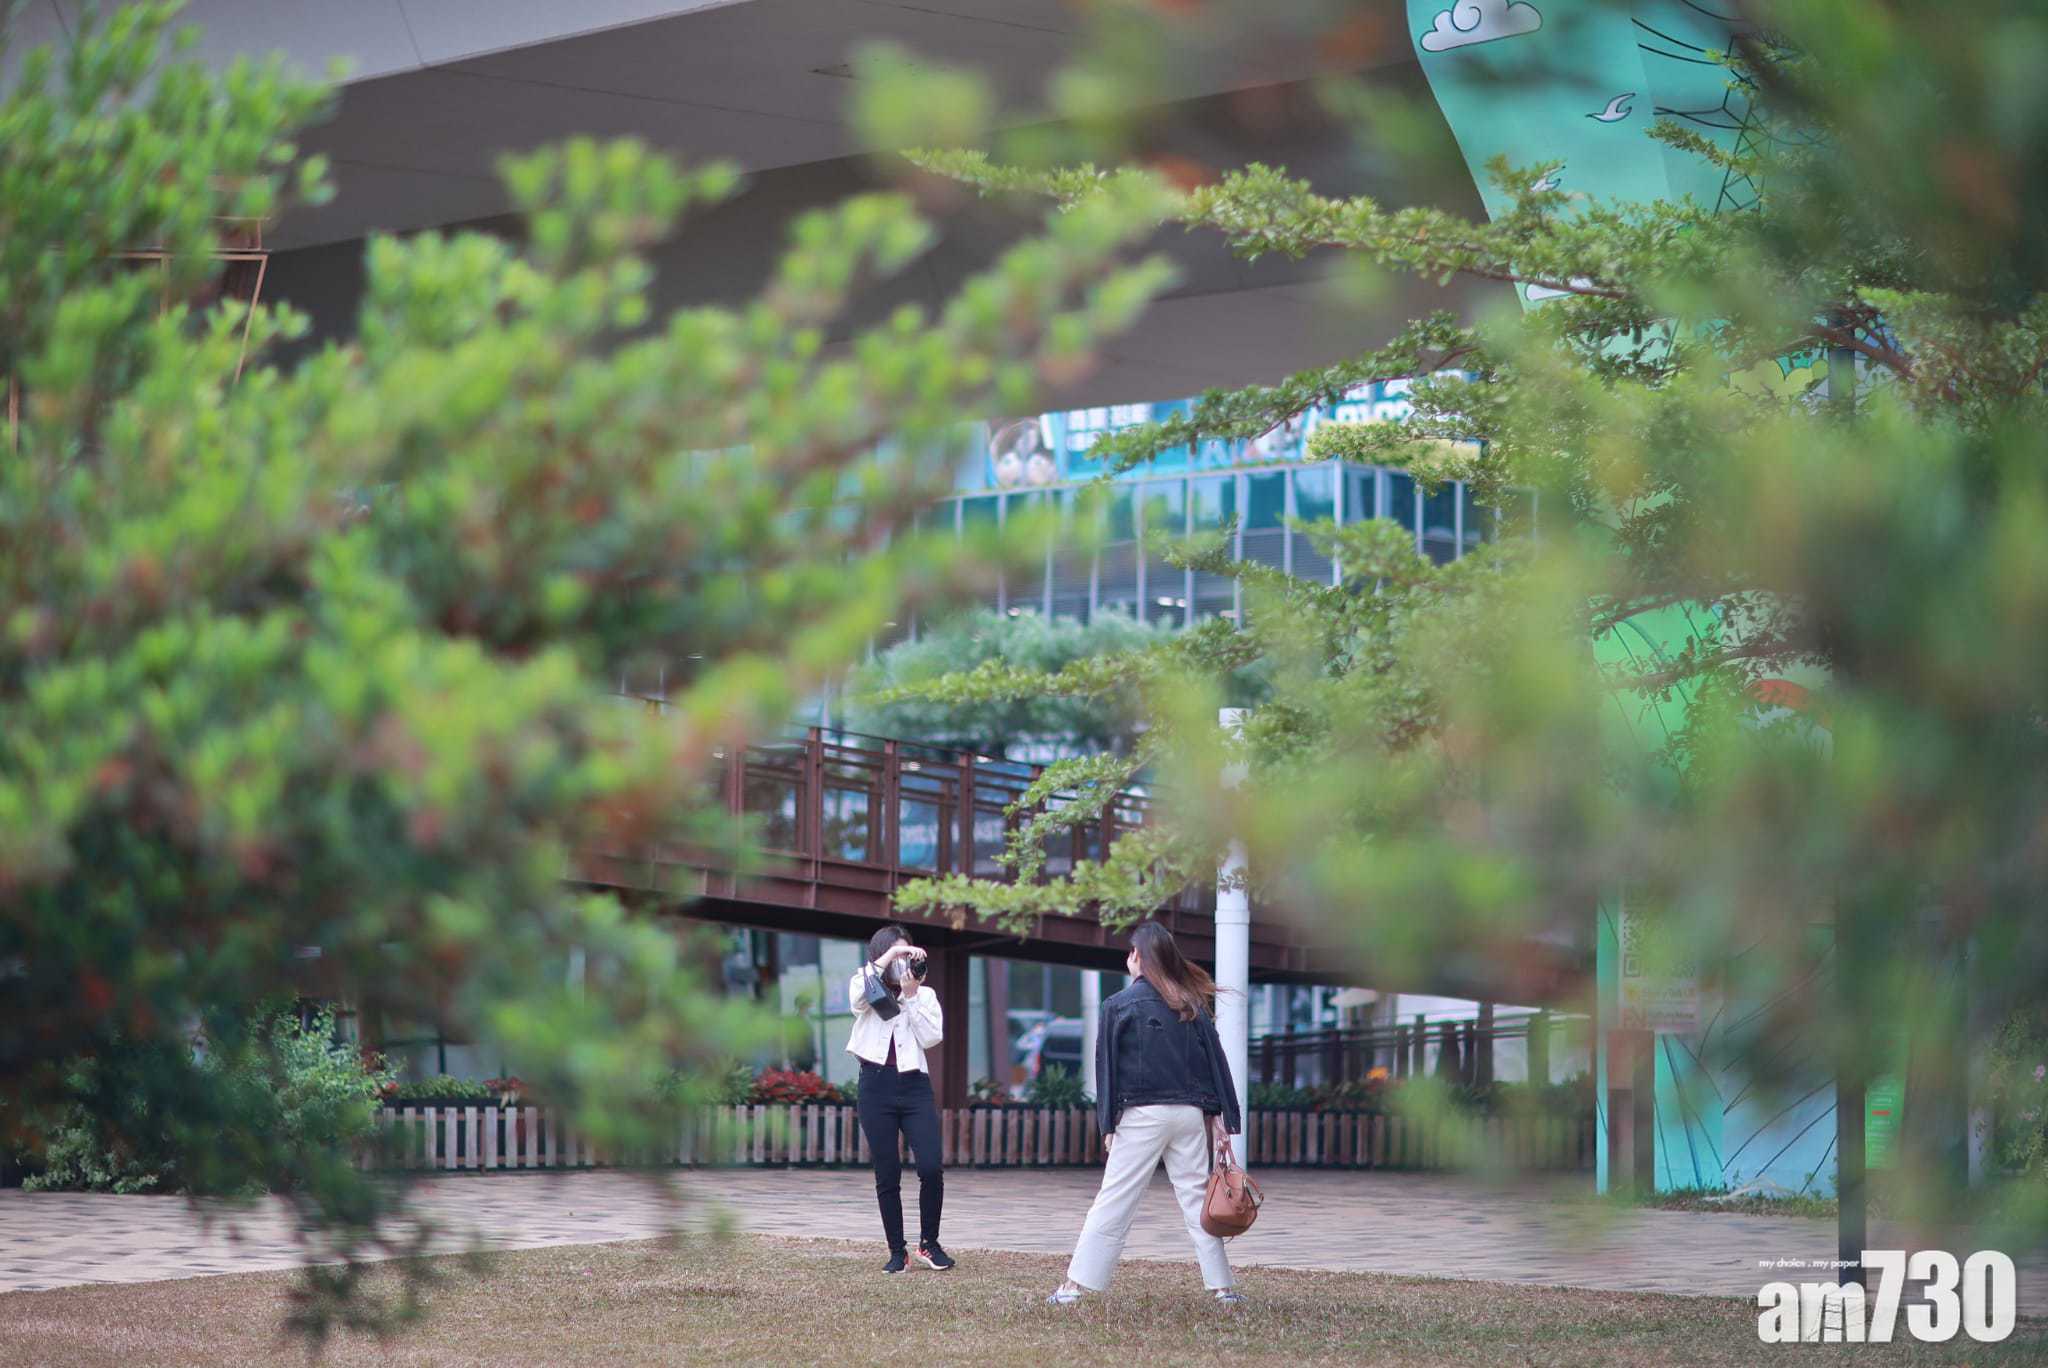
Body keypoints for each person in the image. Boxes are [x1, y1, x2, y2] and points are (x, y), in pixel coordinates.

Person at [1047, 921, 1244, 1307]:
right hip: (1189, 1116)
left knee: (1115, 1199)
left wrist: (1107, 1124)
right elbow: (1214, 1063)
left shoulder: (1118, 1004)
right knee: (1197, 1200)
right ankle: (1223, 1289)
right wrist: (1222, 1118)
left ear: (1137, 956)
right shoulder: (1189, 1004)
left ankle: (1073, 1287)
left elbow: (1106, 1069)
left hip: (1142, 1115)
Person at [846, 924, 954, 1273]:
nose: (903, 961)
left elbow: (932, 1037)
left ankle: (929, 1244)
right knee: (887, 1171)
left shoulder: (925, 995)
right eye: (898, 955)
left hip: (914, 1086)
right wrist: (890, 956)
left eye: (909, 954)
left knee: (931, 1166)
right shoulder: (867, 982)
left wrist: (910, 995)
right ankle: (897, 1251)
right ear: (883, 955)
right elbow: (856, 1000)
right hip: (875, 1085)